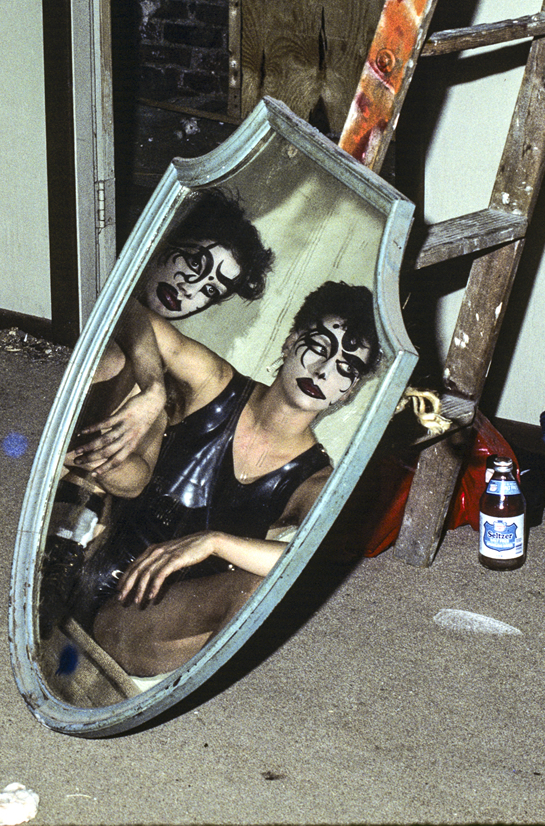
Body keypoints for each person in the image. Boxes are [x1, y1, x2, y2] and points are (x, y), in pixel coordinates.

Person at [61, 281, 379, 678]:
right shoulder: (214, 384)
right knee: (114, 360)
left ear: (349, 392)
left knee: (257, 587)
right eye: (319, 346)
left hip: (141, 621)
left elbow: (319, 559)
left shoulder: (313, 479)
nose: (324, 371)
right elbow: (125, 308)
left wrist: (215, 542)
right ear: (290, 341)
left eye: (346, 369)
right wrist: (154, 388)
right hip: (80, 562)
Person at [69, 189, 273, 476]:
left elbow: (139, 478)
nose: (191, 288)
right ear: (166, 238)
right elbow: (124, 308)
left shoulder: (162, 370)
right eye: (194, 263)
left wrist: (92, 453)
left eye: (210, 290)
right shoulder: (96, 277)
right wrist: (153, 390)